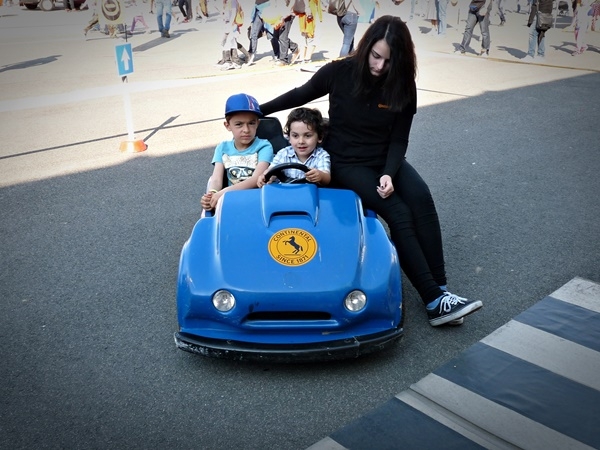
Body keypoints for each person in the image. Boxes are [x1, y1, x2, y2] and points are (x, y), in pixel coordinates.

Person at [259, 16, 483, 326]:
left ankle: (442, 291)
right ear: (366, 48)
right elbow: (299, 95)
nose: (379, 66)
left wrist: (389, 172)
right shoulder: (339, 72)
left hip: (384, 159)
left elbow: (399, 138)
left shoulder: (403, 84)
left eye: (388, 61)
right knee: (398, 212)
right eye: (375, 56)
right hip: (347, 162)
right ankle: (433, 300)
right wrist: (255, 111)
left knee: (421, 198)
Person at [201, 94, 274, 212]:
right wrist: (212, 194)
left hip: (258, 201)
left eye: (251, 123)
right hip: (232, 202)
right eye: (239, 124)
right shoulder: (222, 148)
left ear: (258, 123)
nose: (246, 130)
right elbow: (216, 179)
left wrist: (224, 192)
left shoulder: (264, 146)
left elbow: (256, 179)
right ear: (228, 126)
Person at [258, 107, 331, 187]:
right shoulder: (283, 153)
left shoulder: (321, 155)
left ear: (320, 137)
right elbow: (271, 170)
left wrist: (320, 176)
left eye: (307, 136)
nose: (301, 141)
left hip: (310, 193)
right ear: (289, 137)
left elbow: (326, 178)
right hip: (284, 192)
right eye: (295, 136)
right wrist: (265, 177)